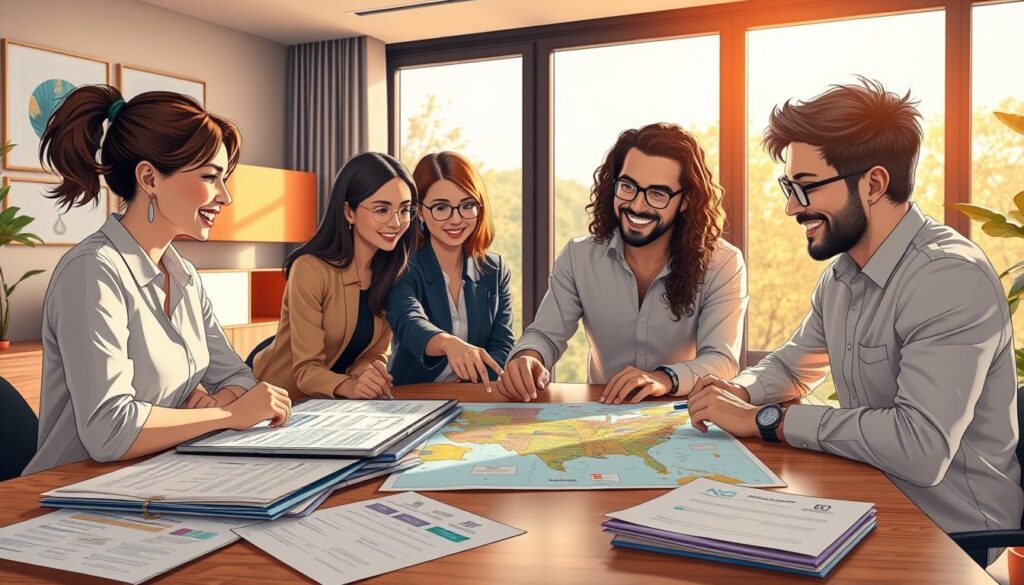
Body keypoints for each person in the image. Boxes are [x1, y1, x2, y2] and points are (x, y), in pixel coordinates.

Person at [687, 78, 1022, 566]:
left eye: (806, 187)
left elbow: (919, 447)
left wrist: (766, 420)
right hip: (872, 502)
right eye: (789, 187)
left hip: (954, 536)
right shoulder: (842, 276)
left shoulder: (949, 277)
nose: (792, 207)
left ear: (874, 183)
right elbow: (792, 366)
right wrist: (739, 392)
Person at [23, 85, 291, 475]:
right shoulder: (92, 272)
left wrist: (217, 403)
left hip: (156, 473)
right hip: (70, 489)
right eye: (210, 177)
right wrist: (228, 414)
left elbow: (237, 377)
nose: (225, 197)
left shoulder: (184, 275)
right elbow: (110, 430)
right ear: (149, 178)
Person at [496, 123, 748, 403]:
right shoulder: (578, 257)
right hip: (600, 413)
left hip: (682, 414)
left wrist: (664, 378)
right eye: (628, 187)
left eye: (657, 194)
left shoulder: (722, 263)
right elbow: (545, 334)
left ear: (686, 200)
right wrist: (528, 356)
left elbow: (721, 359)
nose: (637, 206)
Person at [251, 152, 417, 400]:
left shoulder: (390, 273)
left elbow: (374, 354)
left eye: (404, 210)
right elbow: (305, 370)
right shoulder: (310, 269)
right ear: (349, 212)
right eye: (382, 210)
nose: (396, 222)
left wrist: (365, 372)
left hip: (334, 404)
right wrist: (351, 386)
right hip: (278, 398)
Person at [386, 152, 514, 390]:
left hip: (476, 393)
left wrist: (469, 383)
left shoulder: (494, 270)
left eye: (467, 206)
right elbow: (409, 322)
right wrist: (448, 343)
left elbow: (502, 345)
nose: (456, 219)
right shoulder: (401, 266)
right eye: (441, 207)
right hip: (412, 395)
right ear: (420, 211)